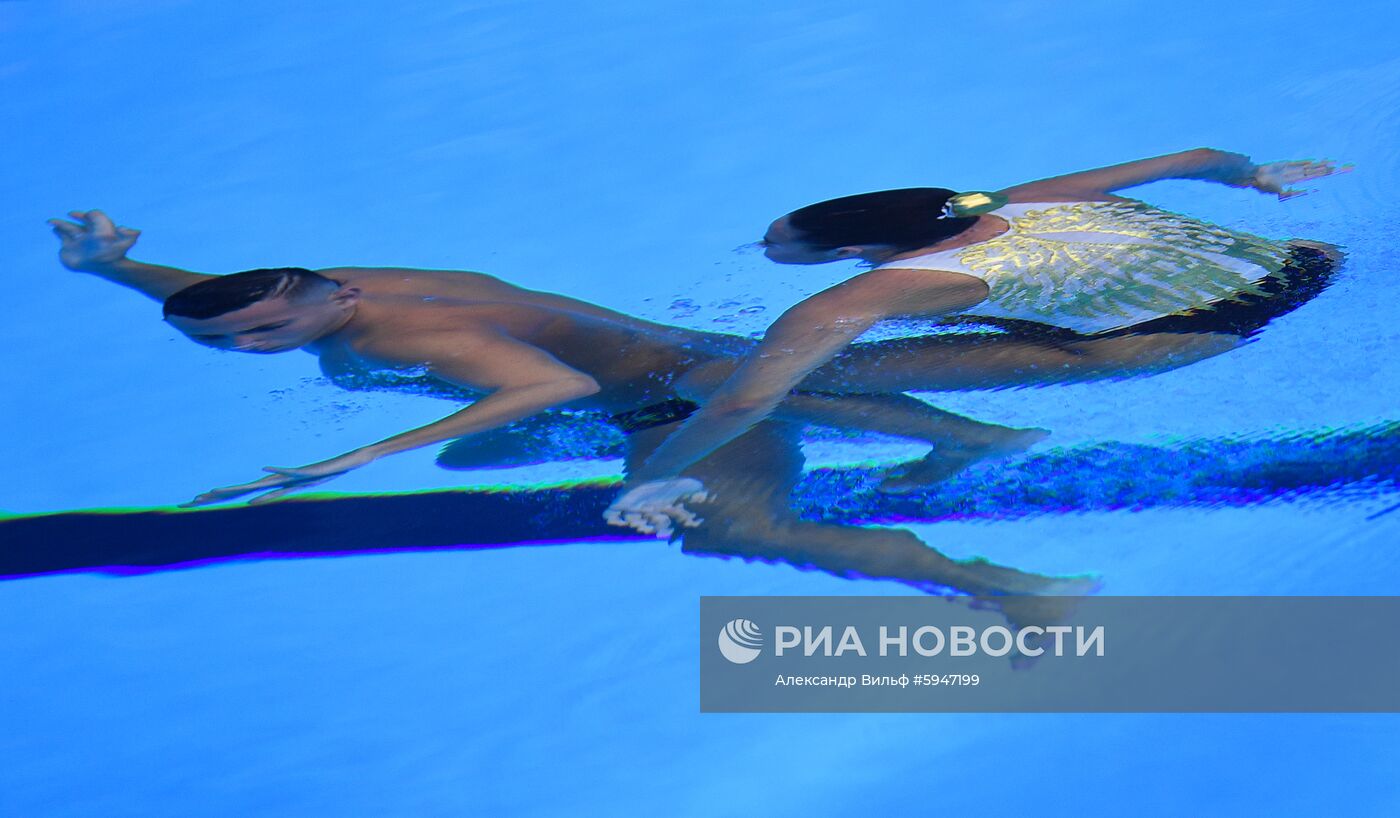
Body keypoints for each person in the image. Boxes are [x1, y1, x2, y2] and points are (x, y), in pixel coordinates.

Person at [607, 147, 1347, 532]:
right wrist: (1255, 177)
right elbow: (1193, 158)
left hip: (1182, 336)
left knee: (712, 380)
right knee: (1008, 301)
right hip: (1307, 267)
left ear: (846, 253)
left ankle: (968, 441)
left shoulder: (865, 293)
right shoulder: (1014, 202)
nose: (763, 251)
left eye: (775, 247)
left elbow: (742, 407)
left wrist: (650, 475)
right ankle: (971, 433)